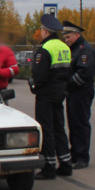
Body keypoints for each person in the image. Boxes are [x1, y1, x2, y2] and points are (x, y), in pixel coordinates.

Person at [29, 14, 72, 179]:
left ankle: (49, 167)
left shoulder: (45, 49)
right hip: (60, 92)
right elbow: (68, 71)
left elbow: (39, 76)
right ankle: (66, 164)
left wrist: (33, 83)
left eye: (41, 29)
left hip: (45, 94)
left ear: (45, 31)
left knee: (46, 129)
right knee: (59, 128)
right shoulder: (64, 47)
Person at [63, 20, 95, 170]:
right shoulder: (74, 49)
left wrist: (66, 84)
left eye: (68, 36)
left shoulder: (84, 50)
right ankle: (75, 153)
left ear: (77, 35)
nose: (66, 40)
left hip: (81, 92)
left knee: (80, 124)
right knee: (73, 124)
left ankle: (82, 156)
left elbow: (83, 74)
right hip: (73, 92)